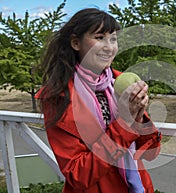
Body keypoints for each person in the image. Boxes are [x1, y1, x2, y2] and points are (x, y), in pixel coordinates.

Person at [36, 8, 161, 193]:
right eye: (100, 37)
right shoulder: (58, 97)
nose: (109, 47)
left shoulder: (120, 83)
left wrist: (139, 117)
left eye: (113, 39)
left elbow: (150, 152)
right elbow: (77, 176)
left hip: (139, 187)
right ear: (76, 43)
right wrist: (125, 124)